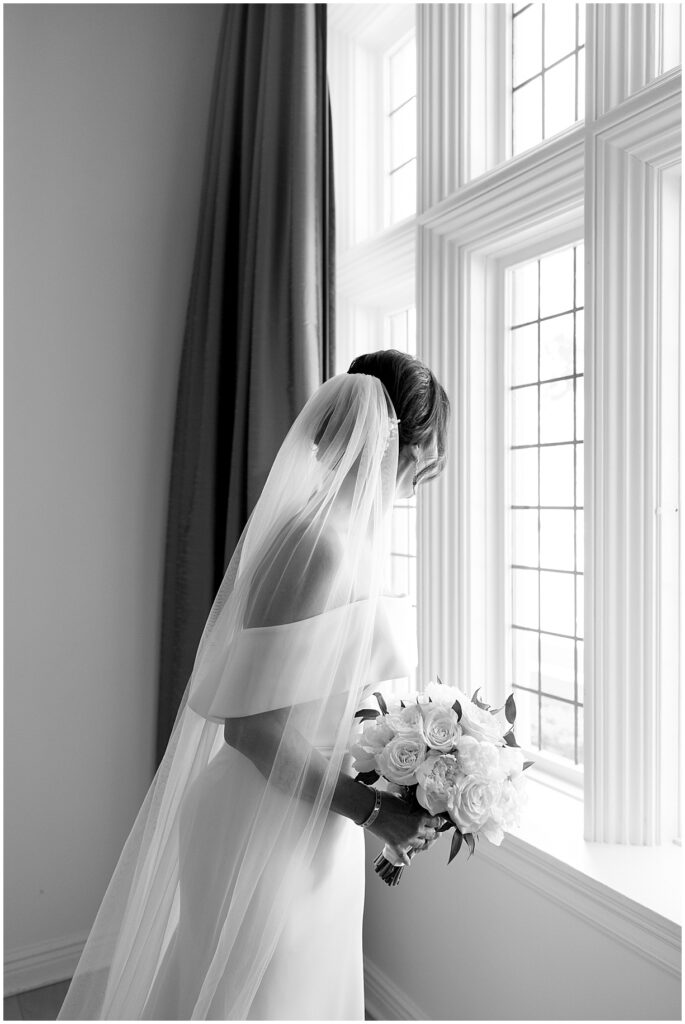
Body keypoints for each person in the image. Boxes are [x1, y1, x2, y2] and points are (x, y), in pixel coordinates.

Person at [58, 350, 450, 1020]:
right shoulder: (318, 546)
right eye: (426, 458)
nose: (422, 478)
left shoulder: (338, 538)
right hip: (262, 823)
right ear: (397, 445)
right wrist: (372, 809)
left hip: (308, 815)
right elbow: (251, 726)